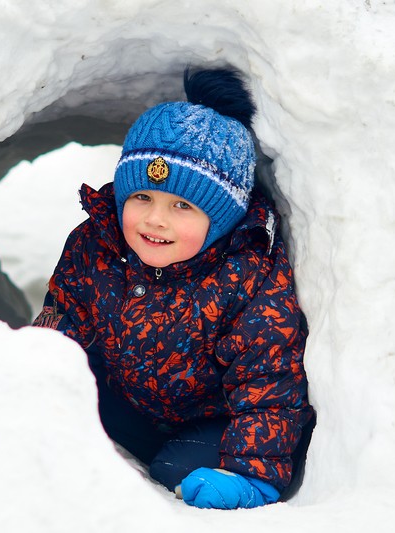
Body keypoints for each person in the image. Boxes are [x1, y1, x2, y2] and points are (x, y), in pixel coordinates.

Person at [33, 68, 314, 510]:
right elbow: (62, 325)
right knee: (58, 416)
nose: (155, 220)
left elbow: (268, 384)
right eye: (141, 197)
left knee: (175, 469)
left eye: (182, 206)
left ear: (220, 219)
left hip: (213, 422)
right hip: (129, 403)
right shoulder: (95, 245)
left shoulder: (248, 277)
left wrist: (252, 475)